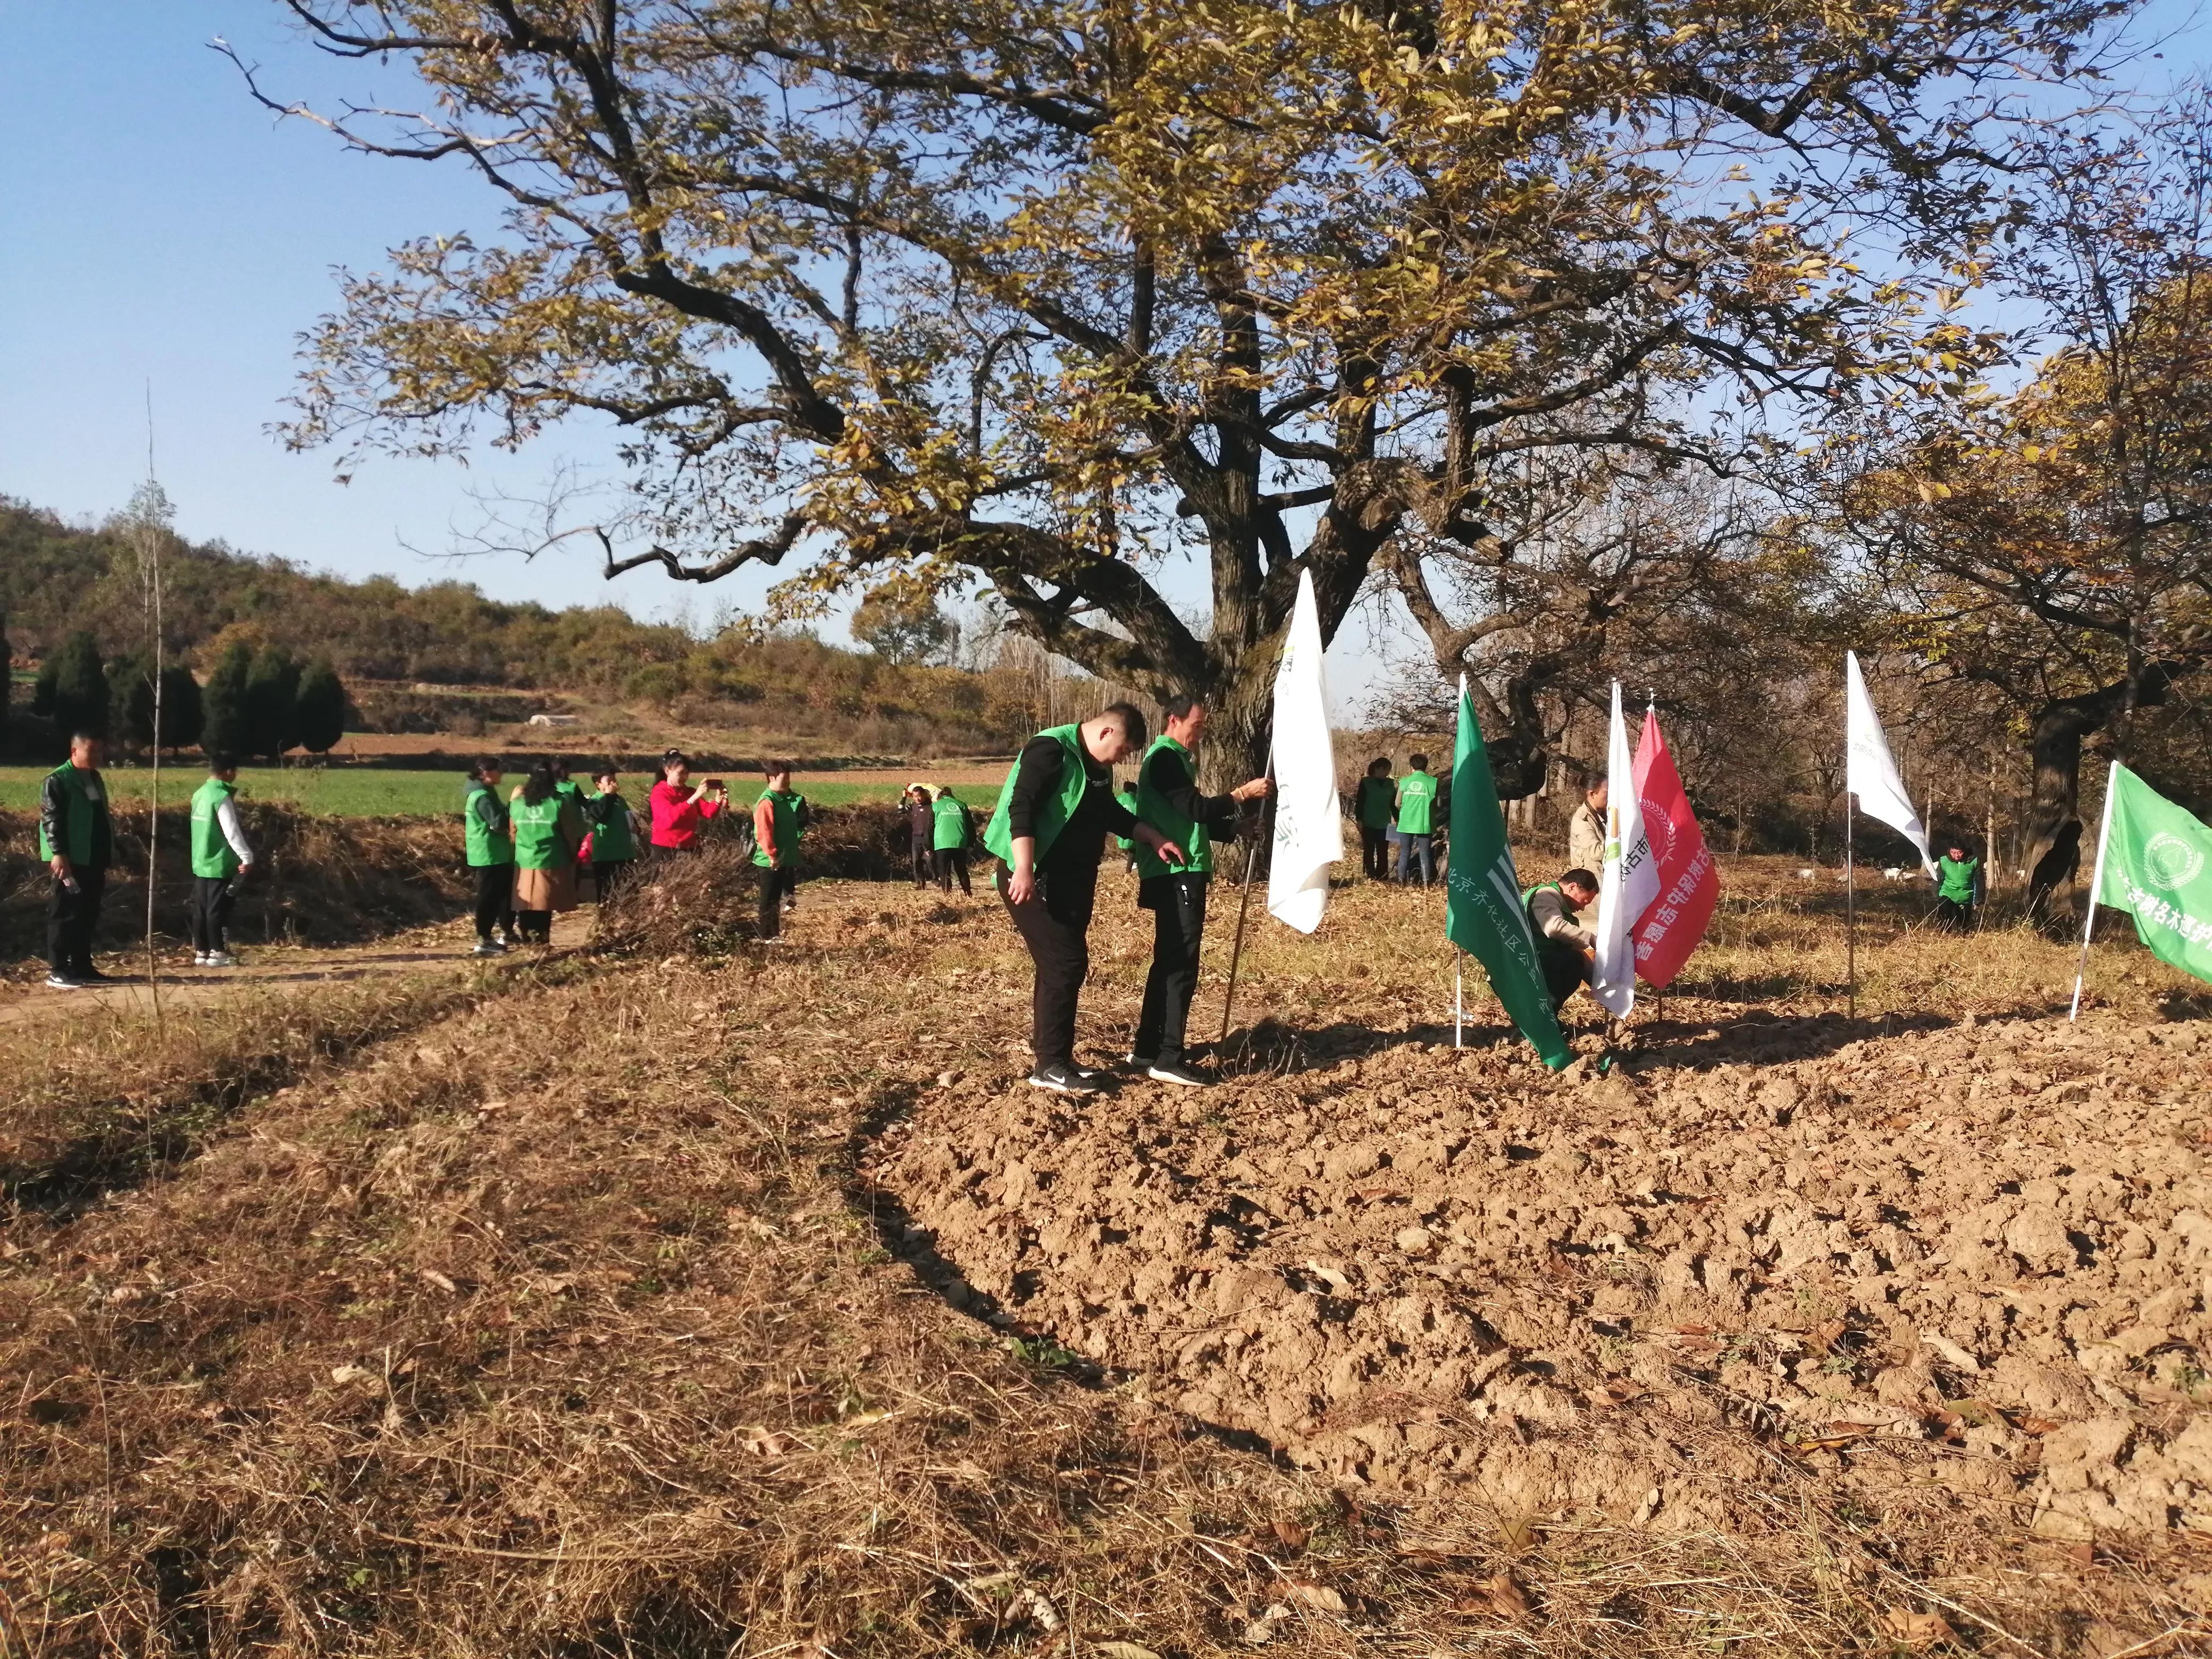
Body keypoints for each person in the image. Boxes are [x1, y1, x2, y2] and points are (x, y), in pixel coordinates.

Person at [982, 703, 1186, 1094]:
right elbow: (1022, 808)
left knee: (1059, 966)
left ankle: (1055, 1058)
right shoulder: (1050, 750)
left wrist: (1154, 837)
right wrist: (1024, 867)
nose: (1122, 758)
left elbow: (1110, 813)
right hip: (1033, 876)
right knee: (1065, 963)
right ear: (1107, 733)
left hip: (1072, 881)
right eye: (1124, 750)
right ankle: (1051, 1065)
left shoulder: (1097, 768)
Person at [1128, 696, 1271, 1086]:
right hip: (1178, 873)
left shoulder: (1173, 759)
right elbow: (1197, 810)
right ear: (1174, 720)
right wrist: (1243, 794)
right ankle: (1169, 1057)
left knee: (1167, 961)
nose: (1201, 733)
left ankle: (1147, 1048)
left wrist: (1233, 830)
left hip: (1173, 870)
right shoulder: (1165, 758)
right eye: (1198, 725)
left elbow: (1186, 818)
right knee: (1181, 966)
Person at [39, 731, 114, 990]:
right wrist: (58, 853)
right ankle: (58, 969)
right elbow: (51, 821)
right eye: (91, 751)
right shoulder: (58, 780)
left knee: (88, 912)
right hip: (71, 859)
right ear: (74, 752)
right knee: (64, 912)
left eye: (99, 751)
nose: (96, 756)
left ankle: (82, 965)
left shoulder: (94, 778)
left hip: (94, 856)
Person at [187, 753, 255, 968]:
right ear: (229, 772)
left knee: (201, 907)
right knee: (218, 908)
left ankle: (201, 951)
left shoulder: (199, 794)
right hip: (219, 861)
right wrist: (247, 856)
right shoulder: (221, 796)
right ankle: (218, 952)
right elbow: (231, 831)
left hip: (200, 860)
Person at [509, 762, 584, 945]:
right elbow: (570, 832)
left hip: (525, 860)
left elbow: (512, 832)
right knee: (544, 905)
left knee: (525, 904)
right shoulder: (559, 802)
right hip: (552, 859)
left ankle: (527, 939)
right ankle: (541, 941)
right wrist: (573, 853)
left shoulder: (518, 803)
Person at [1526, 867, 1602, 1013]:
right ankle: (1541, 1014)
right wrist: (1592, 939)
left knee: (1575, 959)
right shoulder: (1546, 895)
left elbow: (1577, 951)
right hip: (1523, 964)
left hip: (1536, 963)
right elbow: (1553, 927)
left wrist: (1602, 985)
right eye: (1585, 901)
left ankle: (1546, 1014)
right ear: (1573, 887)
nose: (1583, 908)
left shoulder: (1563, 910)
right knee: (1572, 961)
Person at [462, 758, 516, 956]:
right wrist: (514, 803)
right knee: (488, 898)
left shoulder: (485, 793)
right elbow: (499, 822)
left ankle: (501, 933)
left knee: (500, 896)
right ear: (485, 773)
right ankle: (483, 939)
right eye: (498, 770)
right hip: (488, 853)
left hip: (495, 853)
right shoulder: (482, 796)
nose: (501, 773)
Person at [751, 761, 810, 940]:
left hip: (782, 858)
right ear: (772, 778)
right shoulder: (767, 802)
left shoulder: (782, 799)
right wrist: (772, 854)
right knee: (768, 899)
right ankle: (766, 936)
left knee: (775, 899)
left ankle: (774, 935)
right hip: (770, 860)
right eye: (785, 778)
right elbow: (764, 831)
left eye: (789, 778)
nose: (789, 782)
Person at [649, 751, 728, 854]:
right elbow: (670, 818)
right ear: (667, 771)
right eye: (680, 773)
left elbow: (708, 813)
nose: (684, 777)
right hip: (665, 848)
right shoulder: (659, 792)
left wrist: (717, 801)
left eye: (687, 773)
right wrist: (693, 799)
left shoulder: (690, 792)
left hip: (689, 847)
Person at [585, 765, 640, 901]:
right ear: (598, 784)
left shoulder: (620, 801)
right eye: (609, 781)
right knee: (607, 896)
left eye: (614, 780)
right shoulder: (593, 802)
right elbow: (601, 816)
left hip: (625, 853)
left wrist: (636, 828)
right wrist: (608, 796)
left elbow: (630, 819)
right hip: (605, 856)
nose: (614, 784)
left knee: (628, 894)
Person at [1394, 753, 1439, 886]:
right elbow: (1438, 804)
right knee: (1425, 854)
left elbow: (1397, 803)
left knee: (1404, 853)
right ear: (1426, 766)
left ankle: (1401, 882)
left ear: (1411, 766)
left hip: (1406, 823)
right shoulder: (1433, 782)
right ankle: (1426, 884)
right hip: (1425, 822)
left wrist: (1407, 808)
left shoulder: (1404, 781)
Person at [1353, 757, 1394, 881]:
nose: (1387, 773)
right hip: (1368, 822)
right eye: (1386, 769)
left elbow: (1393, 804)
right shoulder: (1366, 782)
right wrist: (1359, 820)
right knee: (1369, 850)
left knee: (1383, 851)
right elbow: (1360, 802)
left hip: (1384, 823)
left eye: (1389, 770)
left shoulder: (1390, 784)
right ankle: (1370, 874)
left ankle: (1382, 875)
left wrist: (1398, 818)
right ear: (1378, 769)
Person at [932, 785, 975, 895]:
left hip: (942, 843)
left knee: (944, 872)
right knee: (961, 870)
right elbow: (970, 826)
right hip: (960, 842)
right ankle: (968, 893)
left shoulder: (936, 806)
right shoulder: (962, 805)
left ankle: (948, 895)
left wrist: (929, 844)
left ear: (941, 797)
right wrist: (971, 843)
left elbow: (929, 827)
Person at [1933, 840, 1982, 933]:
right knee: (1944, 917)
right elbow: (1938, 879)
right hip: (1947, 893)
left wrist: (1978, 899)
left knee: (1964, 923)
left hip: (1966, 896)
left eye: (1959, 853)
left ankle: (1964, 938)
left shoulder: (1973, 861)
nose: (1956, 856)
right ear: (1949, 851)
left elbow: (1979, 881)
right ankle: (1945, 937)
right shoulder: (1944, 861)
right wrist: (1937, 895)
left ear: (1964, 851)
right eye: (1953, 853)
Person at [1568, 779, 1607, 876]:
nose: (1610, 797)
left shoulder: (1604, 814)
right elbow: (1596, 853)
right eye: (1606, 793)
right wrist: (1619, 840)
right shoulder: (1582, 820)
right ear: (1592, 794)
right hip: (1592, 884)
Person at [902, 784, 935, 889]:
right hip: (916, 838)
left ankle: (935, 878)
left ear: (924, 795)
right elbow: (900, 810)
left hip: (929, 837)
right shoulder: (913, 806)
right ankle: (920, 883)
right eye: (915, 796)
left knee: (930, 860)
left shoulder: (932, 806)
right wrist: (903, 798)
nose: (918, 798)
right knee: (916, 861)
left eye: (920, 796)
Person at [1113, 784, 1141, 872]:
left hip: (1119, 830)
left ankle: (1132, 866)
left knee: (1129, 848)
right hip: (1132, 828)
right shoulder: (1135, 800)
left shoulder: (1120, 798)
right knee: (1134, 849)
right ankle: (1129, 869)